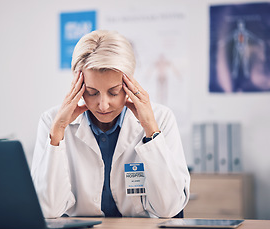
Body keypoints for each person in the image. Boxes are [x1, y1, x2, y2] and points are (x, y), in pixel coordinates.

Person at [31, 30, 190, 218]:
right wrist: (57, 133)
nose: (103, 105)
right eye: (91, 92)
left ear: (129, 83)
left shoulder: (161, 119)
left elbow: (169, 209)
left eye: (113, 92)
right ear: (77, 84)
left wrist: (150, 129)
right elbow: (47, 210)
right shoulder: (52, 121)